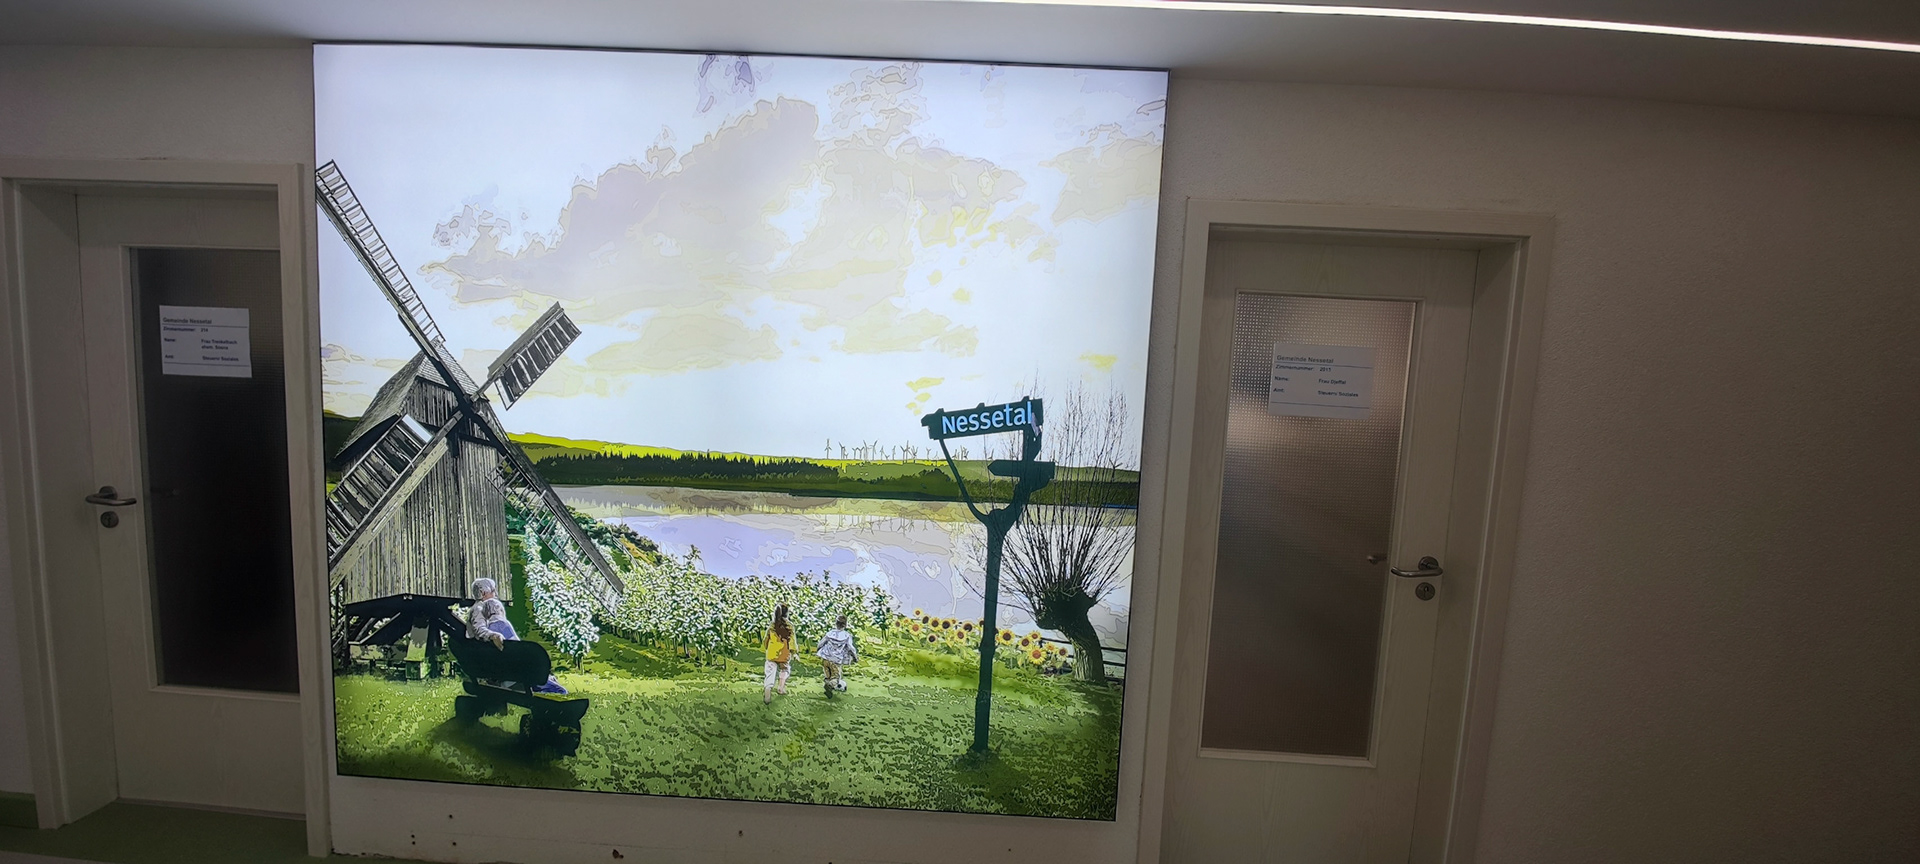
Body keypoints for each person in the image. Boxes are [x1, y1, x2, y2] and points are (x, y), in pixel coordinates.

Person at [466, 577, 566, 695]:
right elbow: (479, 629)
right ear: (483, 593)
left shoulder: (479, 611)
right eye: (493, 591)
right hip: (512, 673)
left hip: (496, 668)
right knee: (559, 689)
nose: (495, 594)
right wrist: (492, 635)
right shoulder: (480, 609)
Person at [815, 614, 858, 698]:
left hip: (825, 659)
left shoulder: (830, 633)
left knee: (828, 676)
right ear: (845, 625)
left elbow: (821, 643)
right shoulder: (846, 636)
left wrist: (818, 650)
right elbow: (850, 648)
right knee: (836, 678)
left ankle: (828, 689)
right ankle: (829, 686)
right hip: (836, 660)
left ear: (836, 623)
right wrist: (855, 657)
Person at [762, 603, 795, 705]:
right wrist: (794, 652)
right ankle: (781, 687)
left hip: (772, 653)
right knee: (785, 669)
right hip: (784, 654)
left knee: (770, 672)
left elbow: (766, 639)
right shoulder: (789, 626)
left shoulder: (772, 625)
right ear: (787, 614)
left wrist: (767, 647)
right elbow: (792, 641)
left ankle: (768, 691)